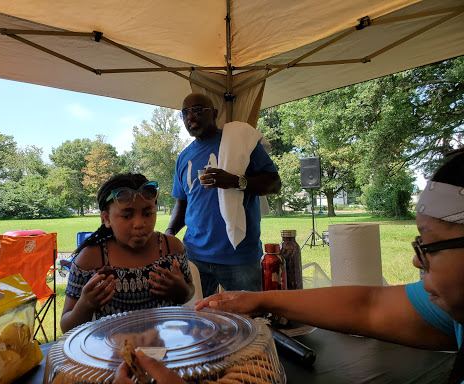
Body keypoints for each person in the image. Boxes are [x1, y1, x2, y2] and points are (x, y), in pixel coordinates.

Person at [196, 150, 464, 383]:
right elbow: (370, 305)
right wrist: (259, 300)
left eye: (427, 245)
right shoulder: (454, 313)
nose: (416, 261)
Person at [166, 92, 281, 297]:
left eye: (198, 110)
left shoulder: (241, 143)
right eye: (185, 113)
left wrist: (237, 181)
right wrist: (168, 233)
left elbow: (274, 184)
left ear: (215, 113)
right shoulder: (183, 157)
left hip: (239, 256)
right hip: (194, 256)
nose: (190, 116)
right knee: (196, 322)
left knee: (252, 322)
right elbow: (183, 203)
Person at [61, 173, 194, 333]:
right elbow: (67, 327)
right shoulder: (91, 259)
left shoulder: (171, 249)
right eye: (126, 215)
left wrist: (181, 290)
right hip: (113, 354)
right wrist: (85, 304)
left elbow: (189, 290)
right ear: (106, 218)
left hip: (163, 349)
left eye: (148, 213)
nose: (139, 223)